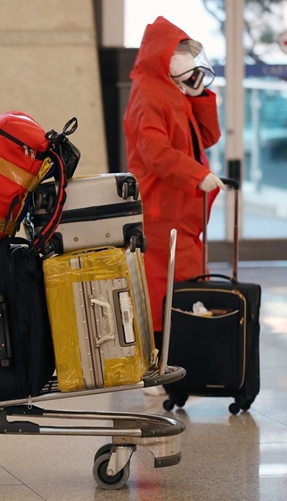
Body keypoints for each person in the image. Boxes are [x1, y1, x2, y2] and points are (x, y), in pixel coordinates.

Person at [123, 17, 224, 356]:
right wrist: (195, 175)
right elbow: (155, 152)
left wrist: (199, 95)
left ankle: (180, 365)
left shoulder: (172, 92)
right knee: (162, 292)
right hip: (162, 210)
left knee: (184, 288)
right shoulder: (149, 94)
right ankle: (160, 367)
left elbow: (205, 137)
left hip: (181, 214)